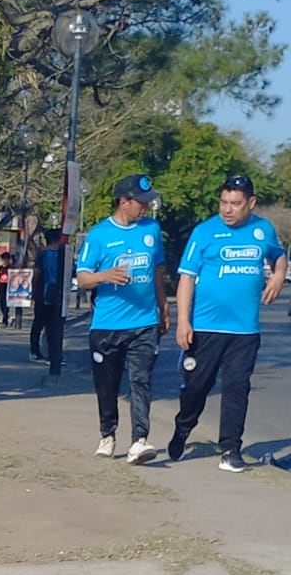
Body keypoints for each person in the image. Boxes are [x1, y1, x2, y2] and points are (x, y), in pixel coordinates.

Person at [167, 173, 286, 473]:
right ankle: (183, 427)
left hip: (244, 331)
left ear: (251, 203)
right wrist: (183, 321)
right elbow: (186, 279)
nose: (228, 209)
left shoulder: (263, 230)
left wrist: (277, 275)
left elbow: (278, 255)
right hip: (205, 328)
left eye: (235, 203)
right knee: (196, 388)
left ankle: (230, 449)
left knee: (237, 387)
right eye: (224, 202)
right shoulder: (205, 232)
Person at [75, 174, 169, 463]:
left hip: (144, 323)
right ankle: (108, 434)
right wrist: (106, 276)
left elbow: (157, 272)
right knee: (108, 384)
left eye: (146, 202)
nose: (144, 207)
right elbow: (82, 278)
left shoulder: (151, 229)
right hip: (107, 325)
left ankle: (139, 440)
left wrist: (164, 309)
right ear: (124, 201)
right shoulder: (99, 235)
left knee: (141, 380)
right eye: (140, 203)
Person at [30, 229, 63, 366]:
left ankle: (35, 351)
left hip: (42, 294)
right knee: (53, 326)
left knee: (38, 324)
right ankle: (54, 354)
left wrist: (33, 290)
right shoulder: (63, 255)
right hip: (58, 295)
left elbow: (36, 274)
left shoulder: (42, 255)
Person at [0, 256, 10, 325]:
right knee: (1, 303)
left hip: (8, 286)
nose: (5, 261)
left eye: (6, 259)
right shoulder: (0, 268)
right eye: (4, 259)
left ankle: (5, 318)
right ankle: (5, 316)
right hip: (2, 286)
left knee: (6, 303)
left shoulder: (10, 268)